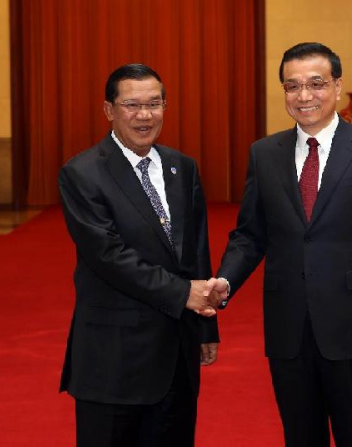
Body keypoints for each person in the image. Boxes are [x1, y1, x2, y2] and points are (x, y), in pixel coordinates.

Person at [207, 42, 352, 447]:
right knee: (299, 435)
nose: (304, 96)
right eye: (292, 86)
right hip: (288, 326)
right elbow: (250, 234)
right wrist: (225, 280)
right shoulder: (264, 153)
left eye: (316, 84)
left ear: (336, 86)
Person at [58, 63, 220, 447]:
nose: (144, 115)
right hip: (114, 361)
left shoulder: (183, 167)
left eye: (154, 104)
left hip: (177, 354)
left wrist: (205, 325)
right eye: (131, 104)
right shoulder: (82, 173)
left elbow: (196, 251)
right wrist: (184, 294)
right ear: (109, 110)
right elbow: (108, 256)